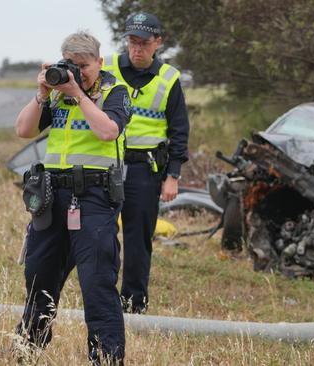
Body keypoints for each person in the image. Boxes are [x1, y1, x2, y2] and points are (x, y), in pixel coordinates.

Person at [14, 31, 131, 364]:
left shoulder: (113, 91)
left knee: (96, 281)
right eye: (72, 65)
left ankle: (106, 356)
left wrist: (79, 94)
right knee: (38, 275)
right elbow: (23, 130)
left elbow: (108, 131)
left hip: (94, 197)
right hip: (52, 196)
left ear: (100, 62)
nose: (78, 71)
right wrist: (41, 93)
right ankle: (28, 348)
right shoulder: (55, 93)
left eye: (85, 65)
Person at [102, 12, 190, 314]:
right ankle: (103, 297)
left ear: (158, 43)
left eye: (144, 43)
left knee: (138, 239)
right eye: (132, 41)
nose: (137, 48)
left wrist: (173, 175)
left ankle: (133, 303)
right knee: (100, 233)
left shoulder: (169, 79)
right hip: (105, 163)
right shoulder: (107, 67)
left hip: (145, 169)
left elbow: (179, 130)